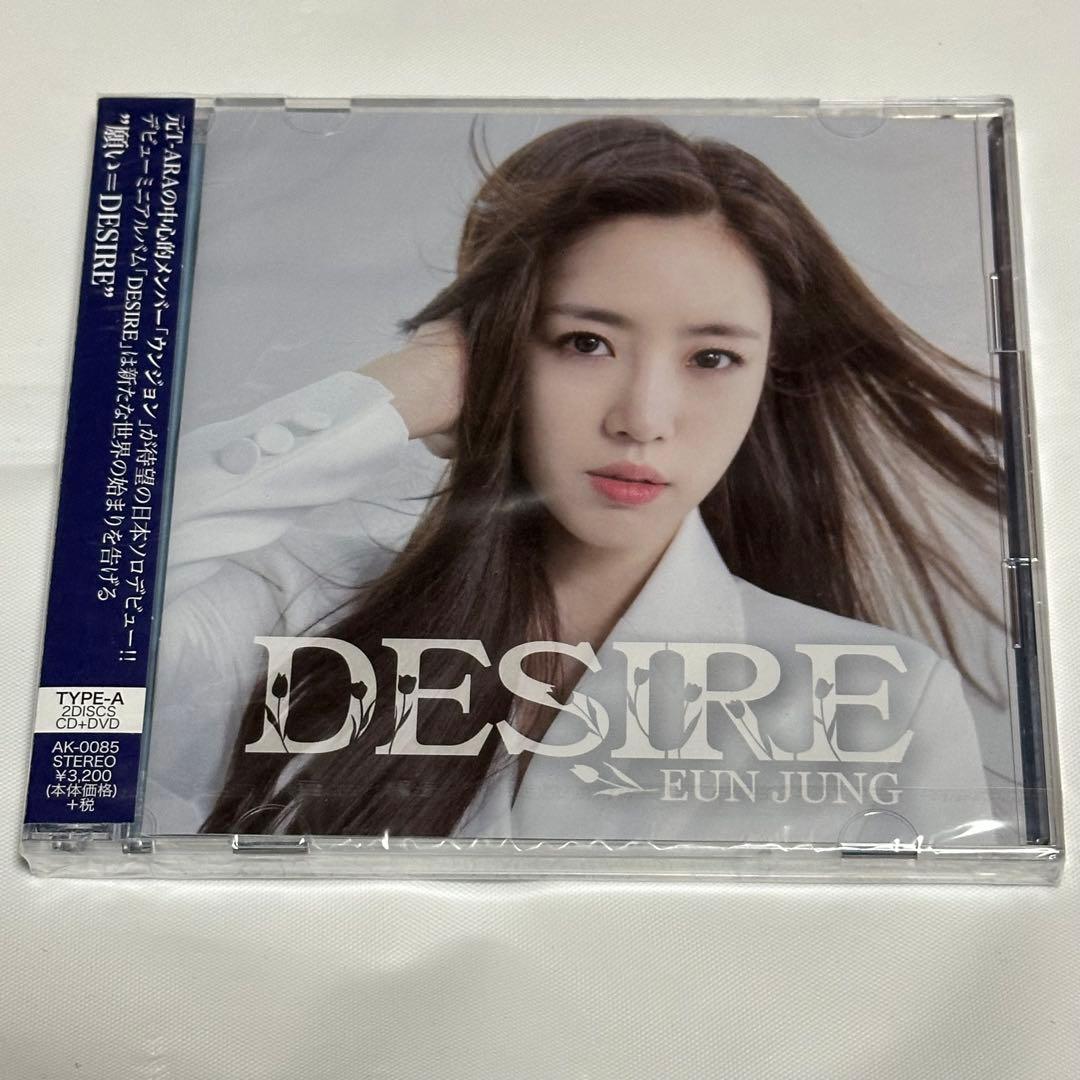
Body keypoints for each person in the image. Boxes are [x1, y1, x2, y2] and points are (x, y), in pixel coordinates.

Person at [144, 117, 1003, 847]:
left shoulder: (880, 696)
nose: (643, 418)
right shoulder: (299, 609)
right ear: (499, 346)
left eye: (712, 358)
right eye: (585, 343)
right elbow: (96, 596)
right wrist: (407, 386)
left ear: (766, 375)